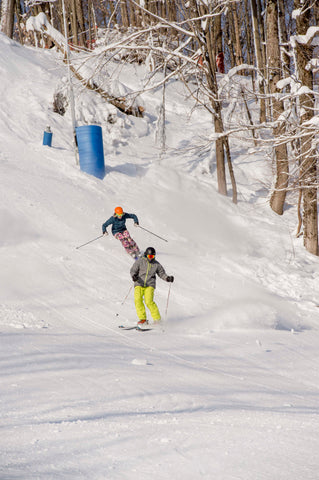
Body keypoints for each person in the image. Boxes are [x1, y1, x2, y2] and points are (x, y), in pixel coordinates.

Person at [130, 247, 174, 325]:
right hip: (139, 283)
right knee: (137, 300)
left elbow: (162, 274)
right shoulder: (140, 261)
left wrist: (167, 278)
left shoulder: (156, 264)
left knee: (149, 301)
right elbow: (133, 270)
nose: (151, 258)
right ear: (146, 255)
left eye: (152, 257)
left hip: (150, 285)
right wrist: (134, 276)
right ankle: (143, 319)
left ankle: (157, 319)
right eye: (149, 256)